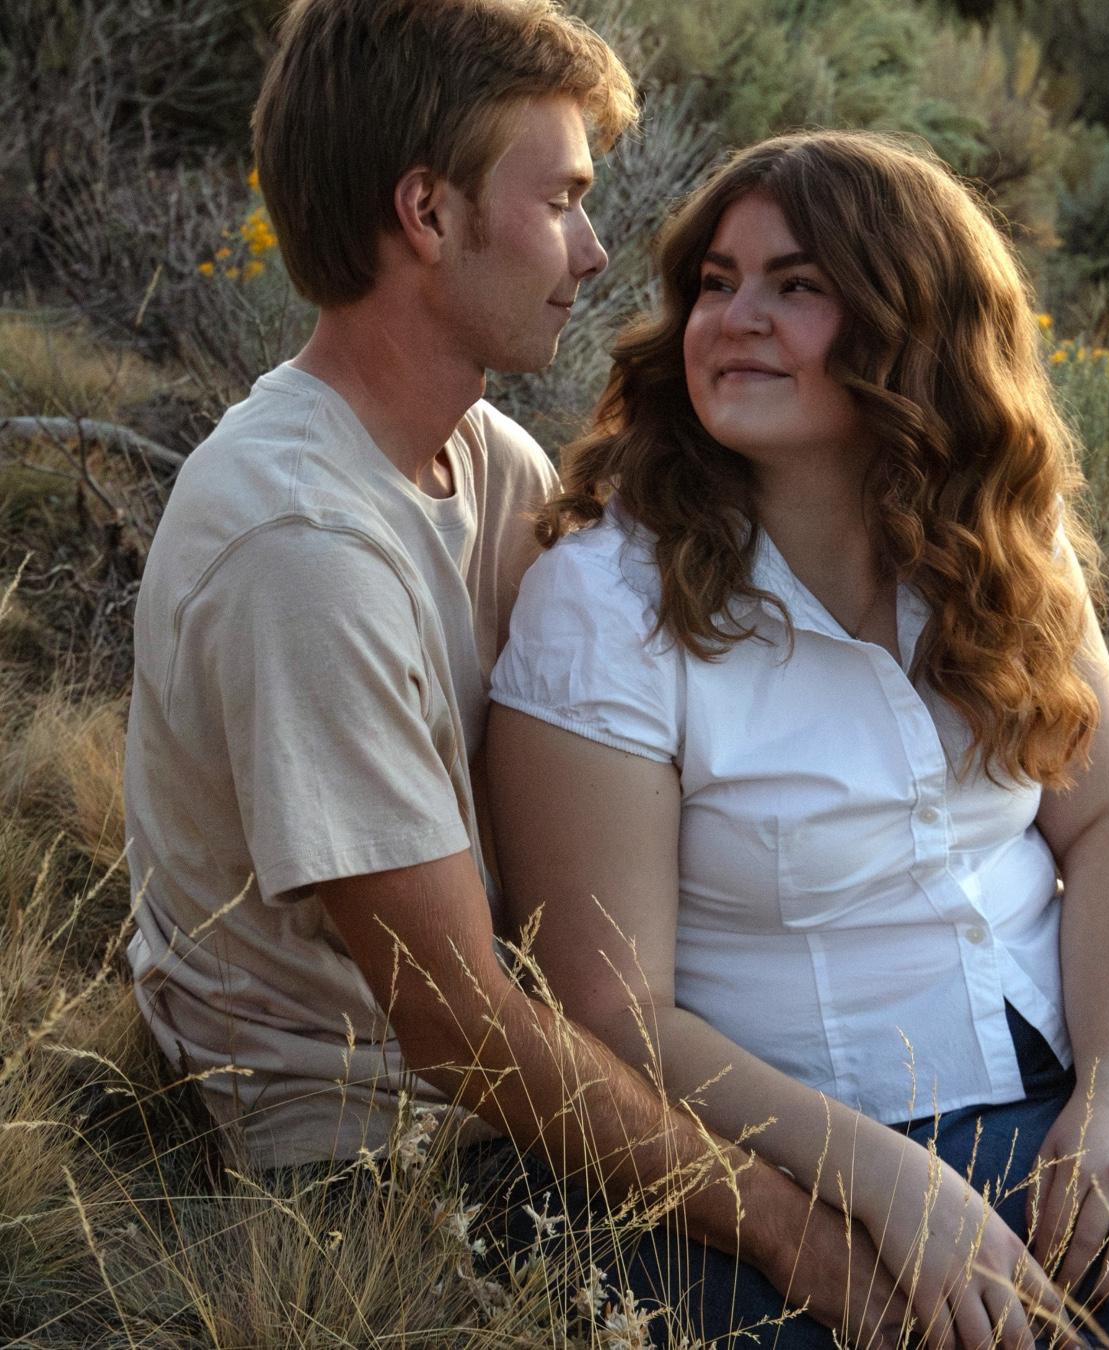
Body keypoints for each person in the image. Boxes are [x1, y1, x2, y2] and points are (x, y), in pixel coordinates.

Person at [122, 6, 917, 1342]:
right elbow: (458, 1026)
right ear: (428, 214)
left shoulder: (482, 456)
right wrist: (805, 1239)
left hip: (525, 1075)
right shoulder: (303, 549)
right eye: (560, 202)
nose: (594, 252)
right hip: (385, 1155)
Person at [488, 130, 1109, 1348]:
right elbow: (613, 1014)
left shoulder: (993, 537)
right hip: (887, 1119)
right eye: (717, 284)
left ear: (913, 328)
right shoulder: (608, 610)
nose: (735, 319)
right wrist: (887, 1183)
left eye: (797, 285)